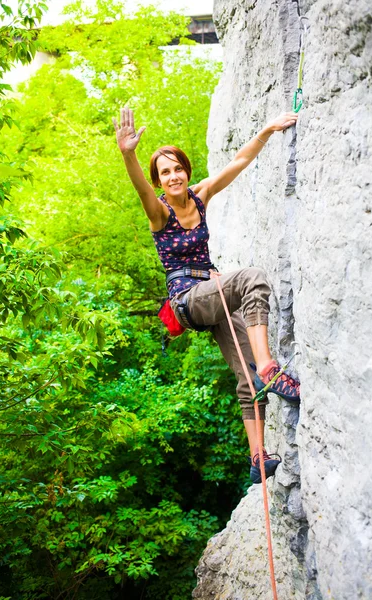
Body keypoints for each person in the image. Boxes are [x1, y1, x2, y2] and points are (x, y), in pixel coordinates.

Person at [113, 107, 300, 484]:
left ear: (186, 170)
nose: (173, 176)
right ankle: (270, 366)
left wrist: (265, 130)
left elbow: (239, 162)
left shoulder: (201, 195)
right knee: (252, 279)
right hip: (187, 299)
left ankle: (257, 458)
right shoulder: (158, 213)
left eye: (177, 168)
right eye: (165, 173)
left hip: (210, 294)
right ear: (160, 182)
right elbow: (139, 188)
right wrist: (128, 154)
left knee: (247, 380)